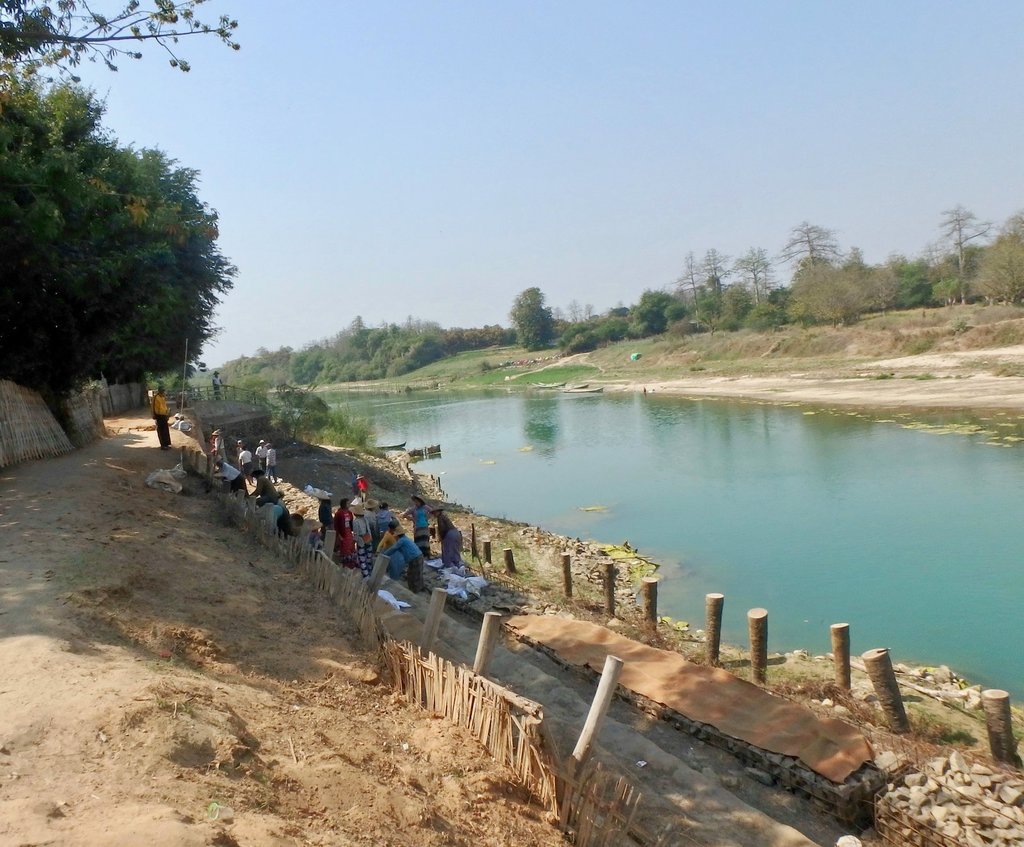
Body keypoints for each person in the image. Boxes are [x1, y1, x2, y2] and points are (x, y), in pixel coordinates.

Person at [379, 527, 425, 592]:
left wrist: (384, 554)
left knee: (413, 574)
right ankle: (420, 587)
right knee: (418, 573)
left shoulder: (401, 541)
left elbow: (393, 549)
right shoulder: (406, 539)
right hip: (419, 555)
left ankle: (414, 590)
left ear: (397, 536)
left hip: (414, 558)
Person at [351, 502, 373, 578]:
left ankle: (366, 576)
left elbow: (356, 534)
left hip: (361, 541)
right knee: (369, 559)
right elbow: (369, 529)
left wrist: (354, 542)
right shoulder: (365, 519)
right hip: (368, 539)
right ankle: (370, 573)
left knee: (362, 559)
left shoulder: (355, 521)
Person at [333, 498, 356, 568]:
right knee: (344, 548)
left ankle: (351, 562)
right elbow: (336, 525)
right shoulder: (339, 513)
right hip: (343, 533)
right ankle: (345, 563)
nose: (349, 505)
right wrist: (339, 535)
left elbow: (351, 522)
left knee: (350, 546)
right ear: (344, 504)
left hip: (349, 532)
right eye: (347, 503)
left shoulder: (349, 513)